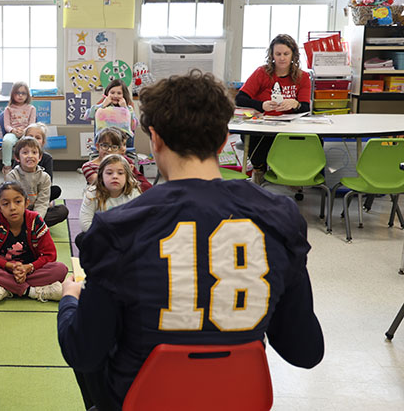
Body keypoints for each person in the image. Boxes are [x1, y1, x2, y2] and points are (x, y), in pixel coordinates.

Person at [57, 70, 324, 411]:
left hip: (142, 400)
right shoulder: (280, 216)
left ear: (155, 140)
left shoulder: (117, 228)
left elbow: (83, 351)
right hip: (239, 398)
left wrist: (69, 300)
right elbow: (305, 350)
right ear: (225, 139)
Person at [236, 33, 311, 183]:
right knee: (256, 140)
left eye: (286, 54)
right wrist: (261, 105)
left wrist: (295, 104)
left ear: (293, 55)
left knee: (311, 140)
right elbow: (240, 98)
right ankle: (259, 171)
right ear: (272, 55)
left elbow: (305, 107)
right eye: (278, 54)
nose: (282, 58)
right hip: (263, 125)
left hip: (289, 126)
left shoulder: (303, 77)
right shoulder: (261, 73)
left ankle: (293, 176)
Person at [0, 181, 67, 303]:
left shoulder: (35, 220)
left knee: (60, 269)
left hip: (30, 270)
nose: (12, 207)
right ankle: (31, 291)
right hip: (4, 269)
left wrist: (28, 267)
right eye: (6, 204)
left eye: (18, 202)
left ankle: (6, 288)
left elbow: (50, 255)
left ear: (26, 203)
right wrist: (10, 266)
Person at [6, 136, 69, 227]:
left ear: (39, 157)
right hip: (17, 212)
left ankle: (31, 226)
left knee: (62, 211)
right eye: (25, 152)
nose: (30, 156)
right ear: (17, 158)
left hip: (36, 212)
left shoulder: (44, 177)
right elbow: (12, 202)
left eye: (34, 152)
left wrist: (35, 220)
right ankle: (22, 225)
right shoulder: (12, 176)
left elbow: (42, 203)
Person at [79, 154, 141, 232]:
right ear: (101, 176)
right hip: (101, 235)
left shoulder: (134, 194)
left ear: (127, 176)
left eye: (120, 173)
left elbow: (138, 222)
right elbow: (85, 224)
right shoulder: (92, 194)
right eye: (109, 173)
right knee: (81, 238)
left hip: (124, 236)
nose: (115, 176)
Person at [81, 128, 152, 193]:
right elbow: (100, 185)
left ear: (120, 150)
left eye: (114, 147)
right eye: (105, 146)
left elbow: (143, 183)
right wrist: (127, 177)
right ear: (97, 147)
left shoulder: (125, 161)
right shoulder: (88, 166)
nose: (109, 150)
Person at [84, 79, 137, 149]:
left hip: (123, 143)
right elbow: (87, 116)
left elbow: (134, 126)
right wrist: (103, 105)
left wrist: (125, 108)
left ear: (124, 95)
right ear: (107, 94)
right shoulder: (101, 107)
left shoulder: (129, 108)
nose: (115, 96)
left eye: (119, 93)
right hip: (104, 142)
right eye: (112, 93)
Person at [1, 81, 36, 176]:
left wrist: (24, 131)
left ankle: (29, 166)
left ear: (27, 95)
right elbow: (7, 125)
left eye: (23, 93)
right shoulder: (8, 109)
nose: (20, 95)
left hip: (27, 133)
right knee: (6, 142)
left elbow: (32, 124)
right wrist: (13, 130)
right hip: (13, 132)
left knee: (33, 142)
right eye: (17, 93)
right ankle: (7, 167)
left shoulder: (31, 108)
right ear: (13, 94)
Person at [23, 122, 61, 201]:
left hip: (39, 192)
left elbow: (48, 182)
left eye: (37, 137)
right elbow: (13, 178)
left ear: (43, 142)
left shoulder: (47, 158)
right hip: (22, 193)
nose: (33, 140)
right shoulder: (21, 156)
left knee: (56, 191)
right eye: (30, 136)